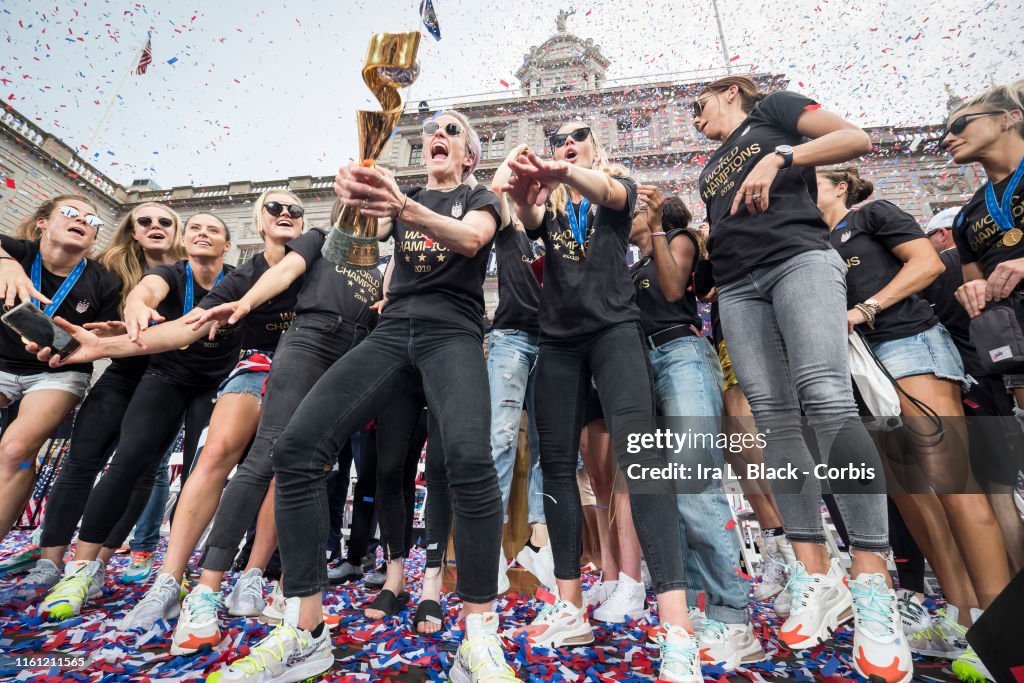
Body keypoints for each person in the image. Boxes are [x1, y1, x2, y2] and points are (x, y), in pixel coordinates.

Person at [198, 110, 513, 683]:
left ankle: (478, 635)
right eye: (430, 132)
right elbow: (348, 250)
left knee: (468, 461)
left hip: (453, 332)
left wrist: (402, 207)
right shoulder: (402, 198)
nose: (434, 137)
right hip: (391, 333)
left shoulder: (483, 198)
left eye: (450, 132)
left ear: (469, 155)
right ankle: (306, 626)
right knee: (294, 450)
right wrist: (353, 196)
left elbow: (471, 242)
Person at [692, 75, 908, 681]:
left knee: (826, 397)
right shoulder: (711, 167)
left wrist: (781, 154)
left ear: (732, 91)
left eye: (700, 103)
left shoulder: (775, 115)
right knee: (772, 418)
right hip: (737, 288)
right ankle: (818, 573)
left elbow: (854, 137)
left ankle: (872, 581)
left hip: (799, 261)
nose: (694, 115)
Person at [118, 197, 381, 652]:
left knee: (297, 466)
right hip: (264, 363)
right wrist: (110, 341)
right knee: (225, 454)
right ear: (259, 221)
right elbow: (187, 324)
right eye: (275, 207)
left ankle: (256, 577)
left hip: (328, 366)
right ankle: (181, 581)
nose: (287, 215)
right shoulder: (277, 260)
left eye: (296, 211)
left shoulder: (354, 258)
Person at [503, 121, 699, 681]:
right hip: (559, 342)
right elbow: (534, 223)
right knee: (558, 470)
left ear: (596, 148)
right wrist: (525, 196)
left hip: (615, 332)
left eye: (579, 135)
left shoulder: (617, 187)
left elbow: (614, 195)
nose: (567, 141)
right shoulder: (557, 206)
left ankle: (676, 628)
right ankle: (570, 604)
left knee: (641, 460)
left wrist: (567, 170)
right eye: (560, 138)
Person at [817, 166, 1012, 658]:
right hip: (857, 368)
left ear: (840, 186)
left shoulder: (872, 214)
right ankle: (960, 613)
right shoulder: (810, 243)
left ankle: (1003, 630)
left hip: (907, 343)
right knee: (910, 496)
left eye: (809, 181)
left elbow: (925, 264)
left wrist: (866, 310)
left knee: (955, 487)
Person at [31, 212, 236, 621]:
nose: (202, 234)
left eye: (213, 230)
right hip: (165, 375)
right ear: (185, 238)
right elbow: (146, 290)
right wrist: (138, 306)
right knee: (128, 461)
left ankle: (173, 574)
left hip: (217, 384)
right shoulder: (172, 273)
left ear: (227, 245)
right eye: (194, 227)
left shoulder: (237, 278)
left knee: (203, 474)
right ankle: (82, 568)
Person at [5, 201, 184, 595]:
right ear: (132, 230)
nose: (155, 225)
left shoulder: (192, 270)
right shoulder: (110, 268)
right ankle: (49, 560)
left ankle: (98, 562)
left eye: (165, 220)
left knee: (142, 470)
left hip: (169, 379)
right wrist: (9, 263)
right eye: (145, 220)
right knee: (80, 461)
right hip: (121, 372)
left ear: (178, 230)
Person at [629, 188, 765, 668]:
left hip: (681, 355)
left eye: (632, 215)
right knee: (669, 494)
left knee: (695, 482)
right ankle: (696, 608)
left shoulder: (680, 240)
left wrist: (661, 227)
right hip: (645, 368)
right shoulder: (632, 265)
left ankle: (733, 615)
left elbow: (671, 291)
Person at [944, 79, 1024, 683]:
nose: (950, 135)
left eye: (963, 121)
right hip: (1005, 360)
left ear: (1008, 118)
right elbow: (973, 280)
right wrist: (972, 286)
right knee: (1002, 489)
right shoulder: (974, 211)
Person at [0, 196, 122, 544]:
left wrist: (104, 336)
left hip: (57, 371)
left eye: (92, 219)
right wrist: (5, 263)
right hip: (2, 362)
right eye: (70, 213)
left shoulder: (104, 282)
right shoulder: (17, 251)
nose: (82, 220)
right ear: (43, 222)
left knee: (16, 450)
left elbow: (98, 338)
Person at [489, 144, 554, 593]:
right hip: (511, 336)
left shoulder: (562, 230)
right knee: (499, 437)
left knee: (552, 447)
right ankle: (488, 547)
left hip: (555, 341)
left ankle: (540, 542)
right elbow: (496, 189)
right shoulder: (508, 224)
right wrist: (517, 152)